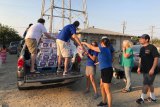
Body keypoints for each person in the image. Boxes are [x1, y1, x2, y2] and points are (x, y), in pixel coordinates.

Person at [82, 38, 113, 107]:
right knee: (102, 86)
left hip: (107, 71)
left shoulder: (102, 49)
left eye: (100, 43)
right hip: (105, 70)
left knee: (107, 90)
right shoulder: (107, 50)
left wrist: (84, 43)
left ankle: (109, 105)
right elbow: (108, 59)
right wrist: (99, 62)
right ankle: (104, 102)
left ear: (102, 43)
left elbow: (90, 47)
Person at [136, 34, 159, 104]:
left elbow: (156, 58)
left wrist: (152, 69)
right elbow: (140, 58)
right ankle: (153, 98)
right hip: (145, 70)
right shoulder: (142, 48)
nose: (140, 39)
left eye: (142, 38)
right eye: (140, 38)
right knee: (150, 84)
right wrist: (139, 67)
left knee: (146, 83)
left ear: (147, 40)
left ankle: (142, 98)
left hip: (151, 70)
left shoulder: (152, 47)